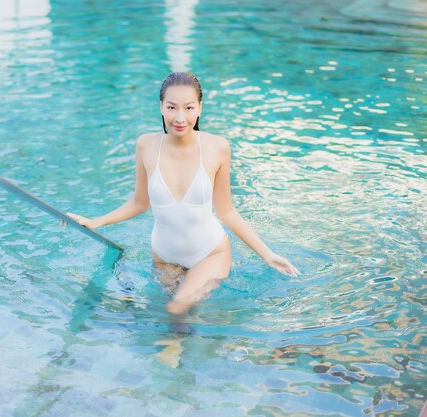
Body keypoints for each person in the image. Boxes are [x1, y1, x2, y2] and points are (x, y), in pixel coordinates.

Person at [65, 71, 300, 318]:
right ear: (161, 107)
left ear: (199, 108)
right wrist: (96, 222)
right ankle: (173, 352)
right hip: (164, 258)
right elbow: (139, 202)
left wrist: (267, 254)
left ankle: (176, 353)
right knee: (170, 319)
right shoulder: (146, 145)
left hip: (210, 253)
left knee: (176, 308)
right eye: (171, 107)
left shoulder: (217, 147)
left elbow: (226, 211)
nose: (180, 117)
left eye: (188, 108)